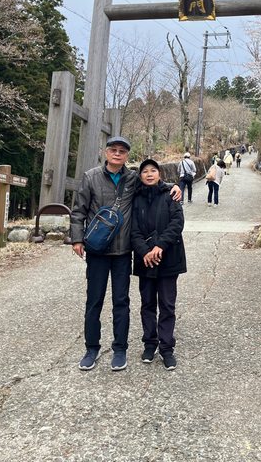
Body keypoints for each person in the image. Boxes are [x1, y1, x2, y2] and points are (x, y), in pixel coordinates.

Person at [70, 136, 181, 372]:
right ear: (106, 152)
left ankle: (120, 348)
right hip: (97, 250)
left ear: (127, 156)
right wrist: (77, 238)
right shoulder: (91, 177)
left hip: (122, 251)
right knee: (94, 300)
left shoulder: (132, 178)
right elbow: (78, 210)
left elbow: (154, 183)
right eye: (114, 150)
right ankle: (91, 348)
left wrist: (175, 186)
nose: (117, 154)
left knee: (121, 302)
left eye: (122, 151)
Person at [131, 158, 186, 371]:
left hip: (168, 258)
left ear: (159, 174)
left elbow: (177, 223)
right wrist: (145, 251)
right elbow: (133, 229)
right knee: (147, 303)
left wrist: (159, 246)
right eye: (145, 171)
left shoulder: (171, 194)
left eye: (153, 170)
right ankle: (149, 343)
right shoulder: (135, 198)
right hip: (145, 259)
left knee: (167, 305)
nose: (149, 174)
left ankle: (166, 347)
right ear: (140, 176)